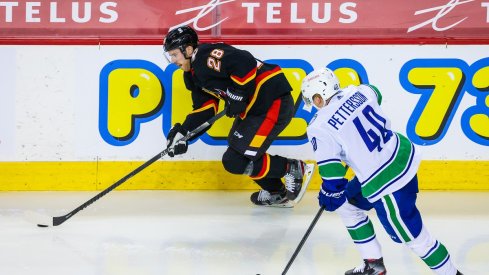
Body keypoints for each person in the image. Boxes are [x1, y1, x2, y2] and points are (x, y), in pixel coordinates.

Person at [300, 68, 463, 275]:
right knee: (347, 204)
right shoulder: (358, 91)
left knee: (418, 241)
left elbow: (332, 175)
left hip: (386, 181)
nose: (313, 105)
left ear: (318, 97)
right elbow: (376, 92)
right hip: (401, 155)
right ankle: (373, 265)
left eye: (312, 100)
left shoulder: (319, 127)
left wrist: (330, 194)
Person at [162, 25, 314, 207]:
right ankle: (277, 192)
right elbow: (206, 108)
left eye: (174, 55)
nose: (173, 60)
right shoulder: (192, 76)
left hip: (271, 100)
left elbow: (245, 62)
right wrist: (184, 133)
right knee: (234, 161)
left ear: (187, 49)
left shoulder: (205, 55)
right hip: (254, 110)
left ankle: (291, 168)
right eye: (170, 56)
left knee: (238, 159)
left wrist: (237, 95)